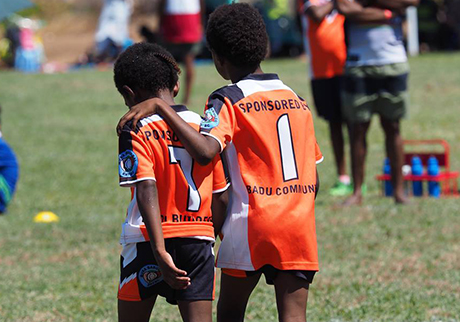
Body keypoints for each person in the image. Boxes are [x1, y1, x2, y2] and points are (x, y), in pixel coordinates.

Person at [117, 4, 323, 321]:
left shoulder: (228, 98)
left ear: (217, 59)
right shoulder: (298, 100)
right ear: (264, 47)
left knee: (229, 313)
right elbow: (315, 177)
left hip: (251, 221)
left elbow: (205, 151)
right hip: (298, 225)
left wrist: (161, 107)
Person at [114, 43, 229, 322]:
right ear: (176, 86)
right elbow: (221, 196)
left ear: (129, 94)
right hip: (198, 239)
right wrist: (211, 240)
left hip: (146, 241)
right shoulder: (205, 129)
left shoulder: (135, 126)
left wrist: (159, 249)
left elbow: (145, 186)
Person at [336, 0, 419, 205]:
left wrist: (363, 5)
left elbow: (411, 2)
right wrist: (389, 13)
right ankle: (357, 192)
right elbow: (345, 8)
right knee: (358, 129)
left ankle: (398, 192)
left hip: (393, 62)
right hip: (358, 63)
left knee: (393, 126)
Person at [299, 0, 351, 196]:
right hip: (321, 73)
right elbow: (317, 14)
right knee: (334, 124)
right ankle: (343, 177)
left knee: (355, 125)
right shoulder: (309, 2)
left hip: (347, 70)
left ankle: (356, 176)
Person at [159, 0, 204, 105]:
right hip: (190, 18)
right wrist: (201, 21)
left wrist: (160, 22)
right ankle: (186, 98)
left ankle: (166, 97)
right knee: (188, 61)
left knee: (167, 62)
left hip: (173, 17)